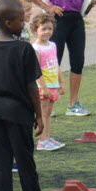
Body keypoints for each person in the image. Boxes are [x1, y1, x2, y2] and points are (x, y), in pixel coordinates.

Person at [0, 0, 61, 191]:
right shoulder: (24, 48)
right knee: (25, 161)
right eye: (19, 18)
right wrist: (38, 115)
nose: (23, 21)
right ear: (8, 22)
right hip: (19, 112)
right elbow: (31, 86)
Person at [22, 0, 90, 116]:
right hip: (58, 19)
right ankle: (46, 101)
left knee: (78, 61)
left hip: (76, 19)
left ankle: (73, 104)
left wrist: (91, 0)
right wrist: (47, 7)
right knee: (52, 60)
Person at [30, 12, 65, 150]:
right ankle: (42, 140)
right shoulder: (35, 48)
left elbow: (56, 65)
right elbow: (36, 70)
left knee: (48, 113)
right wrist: (43, 88)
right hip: (43, 86)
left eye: (49, 29)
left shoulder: (53, 45)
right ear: (35, 30)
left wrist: (61, 82)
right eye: (43, 29)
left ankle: (47, 137)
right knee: (43, 113)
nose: (47, 32)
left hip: (53, 84)